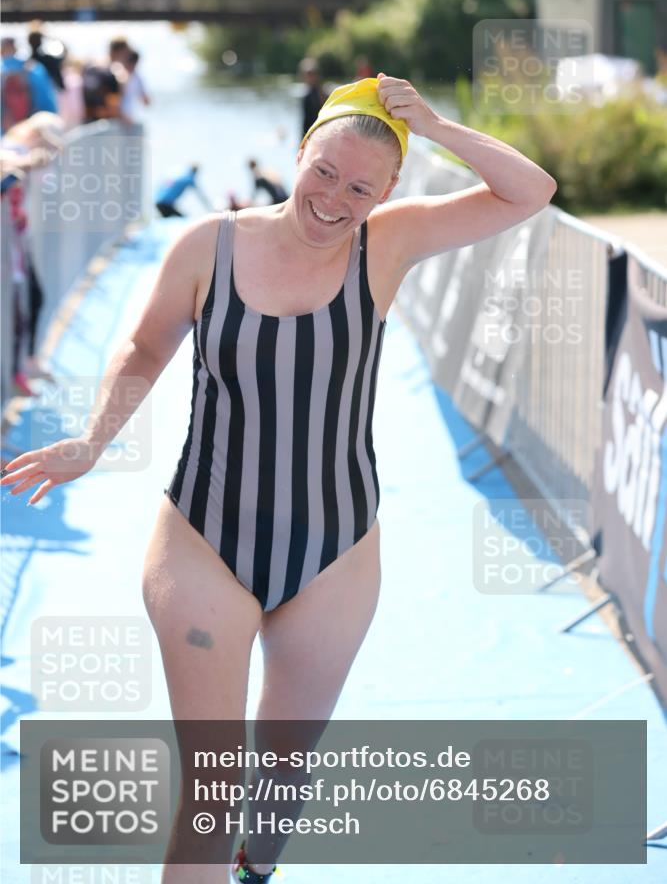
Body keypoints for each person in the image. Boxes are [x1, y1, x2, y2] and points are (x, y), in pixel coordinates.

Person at [0, 74, 557, 882]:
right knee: (211, 791)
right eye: (323, 171)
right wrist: (92, 441)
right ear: (299, 152)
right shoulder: (209, 246)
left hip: (335, 551)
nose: (333, 198)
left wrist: (434, 124)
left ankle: (255, 872)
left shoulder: (389, 242)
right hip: (203, 538)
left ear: (387, 191)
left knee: (283, 781)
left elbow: (527, 191)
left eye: (361, 186)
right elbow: (148, 345)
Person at [1, 112, 65, 393]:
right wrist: (29, 162)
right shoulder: (13, 149)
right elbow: (6, 162)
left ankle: (19, 371)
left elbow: (47, 182)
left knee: (27, 304)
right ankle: (17, 374)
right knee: (20, 308)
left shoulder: (20, 149)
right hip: (9, 247)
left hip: (13, 242)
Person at [1, 36, 58, 132]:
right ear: (16, 49)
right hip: (32, 130)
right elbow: (47, 101)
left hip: (4, 132)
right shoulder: (34, 68)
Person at [298, 56, 326, 139]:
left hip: (319, 134)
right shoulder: (307, 94)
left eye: (311, 74)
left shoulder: (322, 93)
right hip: (312, 135)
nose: (309, 77)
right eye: (307, 75)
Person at [120, 48, 150, 124]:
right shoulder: (118, 73)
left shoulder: (137, 77)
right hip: (119, 117)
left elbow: (145, 100)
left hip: (130, 116)